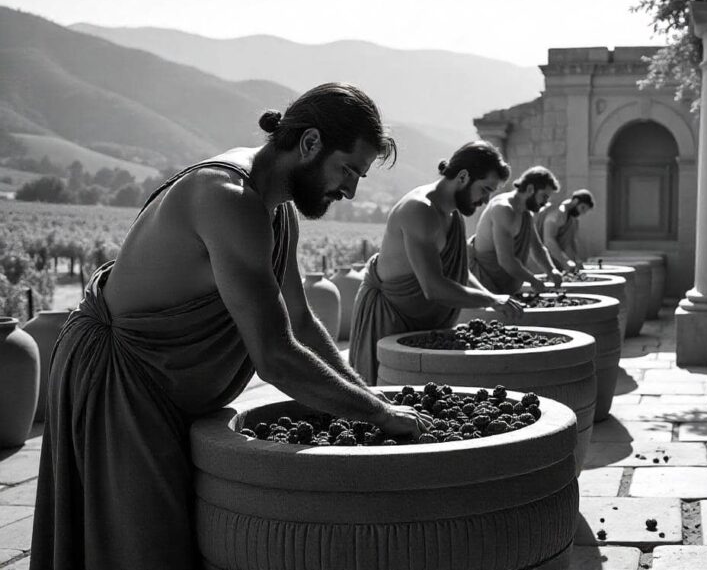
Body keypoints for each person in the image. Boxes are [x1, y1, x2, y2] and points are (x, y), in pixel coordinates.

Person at [30, 83, 433, 570]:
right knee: (141, 550)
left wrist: (370, 397)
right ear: (309, 144)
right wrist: (380, 416)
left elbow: (301, 323)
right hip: (120, 386)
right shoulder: (227, 198)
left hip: (162, 394)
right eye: (347, 169)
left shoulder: (277, 207)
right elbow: (276, 355)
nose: (350, 190)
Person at [349, 140, 524, 383]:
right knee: (382, 399)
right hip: (389, 318)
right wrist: (491, 299)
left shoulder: (453, 213)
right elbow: (434, 288)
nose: (485, 200)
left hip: (426, 325)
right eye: (484, 189)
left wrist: (493, 300)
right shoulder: (420, 210)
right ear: (463, 177)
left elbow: (460, 271)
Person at [468, 165, 563, 294]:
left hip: (505, 285)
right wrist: (533, 280)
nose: (545, 203)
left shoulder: (526, 214)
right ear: (530, 189)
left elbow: (537, 248)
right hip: (483, 282)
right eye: (544, 196)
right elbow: (506, 260)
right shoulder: (503, 209)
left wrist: (552, 271)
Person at [534, 188, 595, 271]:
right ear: (575, 201)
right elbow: (548, 240)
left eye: (584, 211)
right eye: (582, 208)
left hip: (555, 264)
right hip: (538, 261)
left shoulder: (572, 220)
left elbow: (568, 245)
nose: (581, 213)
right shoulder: (558, 213)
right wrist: (565, 261)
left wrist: (575, 262)